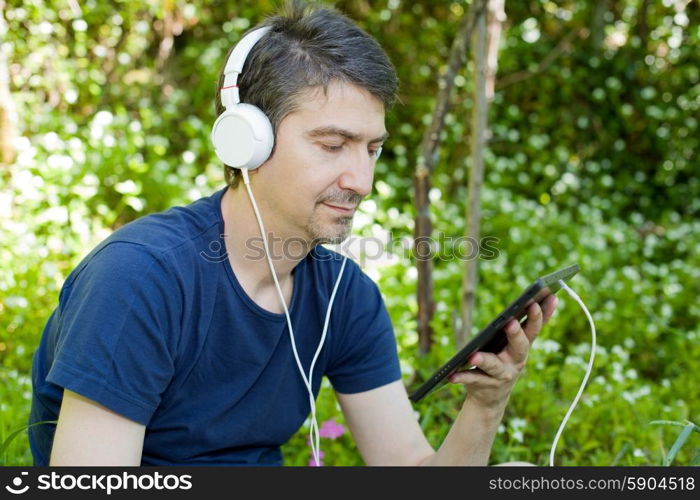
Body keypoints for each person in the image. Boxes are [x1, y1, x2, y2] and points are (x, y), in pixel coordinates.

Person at [29, 0, 557, 466]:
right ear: (246, 142)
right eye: (332, 145)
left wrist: (486, 405)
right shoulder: (141, 279)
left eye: (371, 149)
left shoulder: (343, 298)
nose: (362, 182)